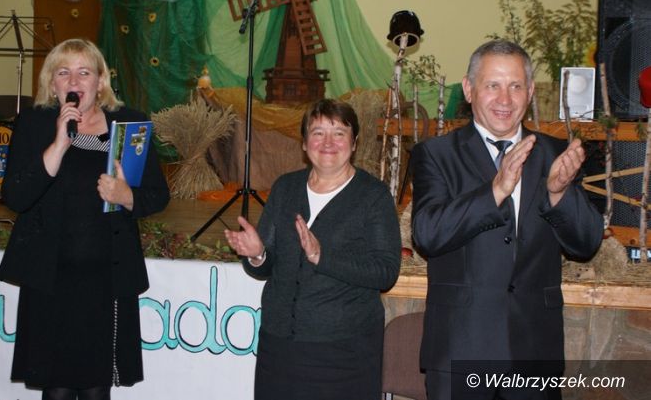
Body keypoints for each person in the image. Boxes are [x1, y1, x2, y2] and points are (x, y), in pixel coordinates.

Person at [411, 39, 603, 400]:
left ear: (530, 92)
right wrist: (495, 191)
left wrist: (559, 193)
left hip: (534, 352)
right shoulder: (436, 154)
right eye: (492, 85)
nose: (505, 99)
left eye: (515, 86)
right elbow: (428, 233)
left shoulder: (555, 154)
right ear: (469, 89)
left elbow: (587, 243)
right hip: (461, 350)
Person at [0, 38, 170, 400]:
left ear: (101, 81)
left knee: (96, 389)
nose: (74, 81)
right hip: (50, 281)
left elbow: (158, 195)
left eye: (84, 72)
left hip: (106, 281)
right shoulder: (34, 124)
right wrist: (59, 144)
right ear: (52, 84)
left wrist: (126, 196)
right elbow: (16, 197)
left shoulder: (130, 125)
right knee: (56, 390)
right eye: (63, 72)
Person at [224, 99, 402, 400]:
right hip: (279, 347)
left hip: (343, 352)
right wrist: (257, 254)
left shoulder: (373, 196)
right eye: (318, 133)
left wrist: (322, 257)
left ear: (354, 143)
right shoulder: (285, 188)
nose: (328, 143)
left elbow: (385, 272)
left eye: (339, 133)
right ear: (304, 143)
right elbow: (266, 266)